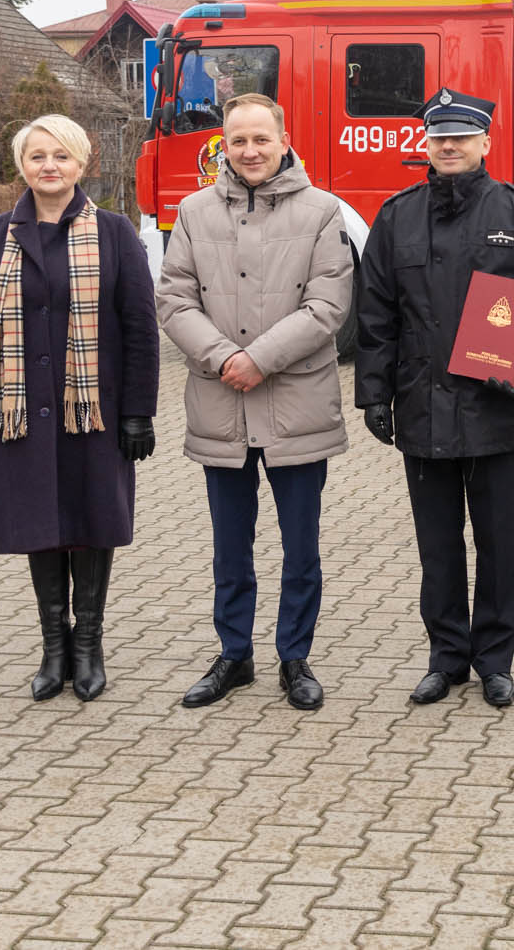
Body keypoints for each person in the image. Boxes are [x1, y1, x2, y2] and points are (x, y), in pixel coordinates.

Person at [355, 87, 514, 709]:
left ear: (485, 142)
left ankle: (495, 661)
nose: (448, 146)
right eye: (439, 136)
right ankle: (446, 658)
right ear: (426, 143)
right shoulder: (397, 216)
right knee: (438, 546)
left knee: (498, 543)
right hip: (421, 408)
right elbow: (375, 312)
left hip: (492, 407)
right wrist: (374, 393)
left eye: (460, 136)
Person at [156, 92, 353, 712]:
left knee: (301, 547)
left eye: (261, 138)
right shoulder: (193, 212)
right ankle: (234, 655)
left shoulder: (322, 211)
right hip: (222, 404)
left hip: (297, 406)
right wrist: (224, 358)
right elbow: (174, 300)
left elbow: (327, 307)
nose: (249, 151)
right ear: (225, 144)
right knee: (230, 547)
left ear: (284, 140)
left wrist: (258, 359)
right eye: (238, 140)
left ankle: (295, 657)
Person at [0, 114, 160, 703]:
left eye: (61, 155)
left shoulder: (115, 232)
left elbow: (140, 327)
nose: (50, 166)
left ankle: (88, 644)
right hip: (20, 412)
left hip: (92, 412)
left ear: (82, 162)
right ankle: (54, 647)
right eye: (37, 156)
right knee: (38, 522)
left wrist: (138, 411)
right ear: (22, 164)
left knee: (92, 520)